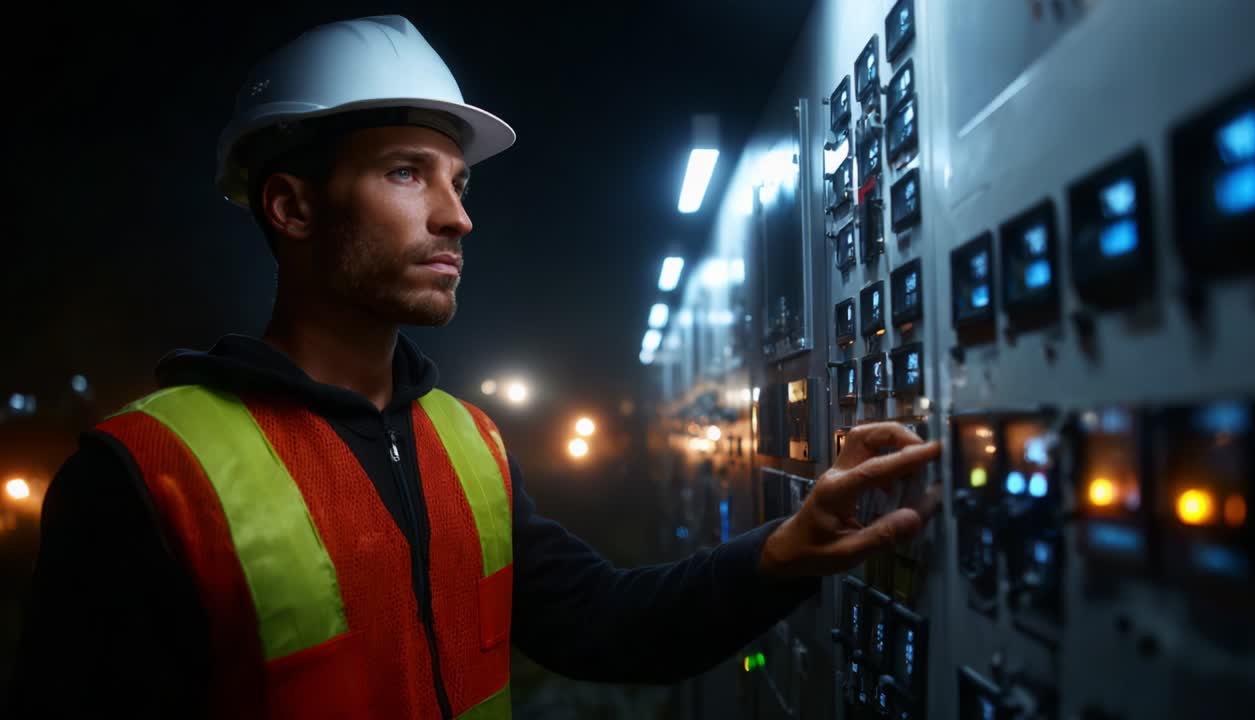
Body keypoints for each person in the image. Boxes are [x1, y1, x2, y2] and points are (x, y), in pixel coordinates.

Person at [9, 15, 940, 719]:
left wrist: (785, 554)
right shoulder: (143, 473)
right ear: (290, 207)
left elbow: (604, 623)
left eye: (460, 184)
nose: (457, 218)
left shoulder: (467, 442)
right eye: (408, 173)